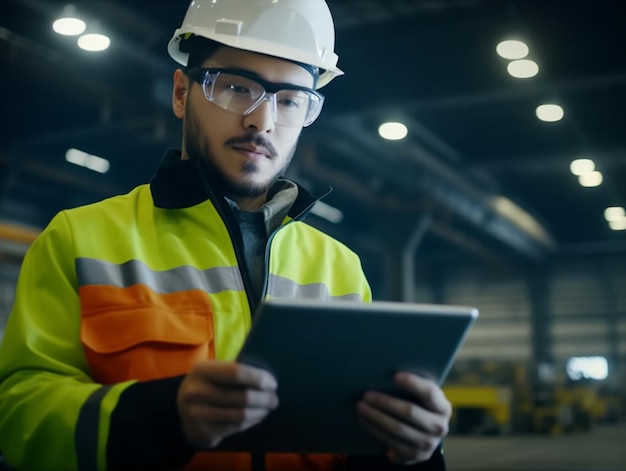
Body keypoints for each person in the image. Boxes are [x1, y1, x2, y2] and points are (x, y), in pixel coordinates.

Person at [0, 1, 452, 470]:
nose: (263, 121)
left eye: (290, 100)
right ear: (181, 93)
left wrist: (409, 449)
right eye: (237, 87)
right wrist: (162, 417)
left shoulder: (340, 268)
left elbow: (348, 438)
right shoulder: (79, 239)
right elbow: (17, 415)